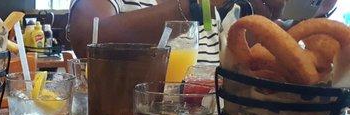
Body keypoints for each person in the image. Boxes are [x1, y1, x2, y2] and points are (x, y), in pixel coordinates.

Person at [68, 0, 287, 59]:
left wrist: (272, 23)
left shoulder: (219, 9)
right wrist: (196, 6)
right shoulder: (204, 5)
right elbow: (88, 39)